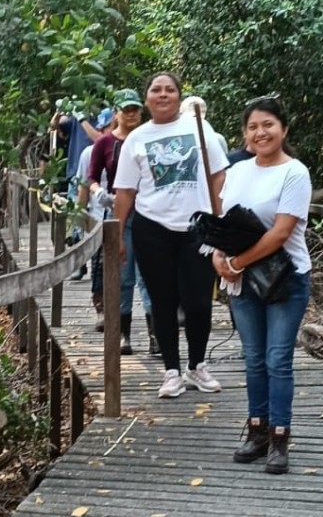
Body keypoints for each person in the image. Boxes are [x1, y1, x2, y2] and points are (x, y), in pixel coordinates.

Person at [212, 96, 312, 474]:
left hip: (285, 279)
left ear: (284, 129)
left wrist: (235, 262)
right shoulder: (237, 171)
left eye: (268, 124)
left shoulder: (295, 173)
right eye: (253, 127)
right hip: (242, 282)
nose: (261, 132)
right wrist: (217, 256)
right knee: (253, 358)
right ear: (245, 134)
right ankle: (257, 431)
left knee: (277, 360)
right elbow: (224, 222)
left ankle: (280, 438)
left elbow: (281, 232)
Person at [113, 72, 229, 398]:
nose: (163, 94)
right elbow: (125, 191)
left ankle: (196, 365)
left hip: (197, 228)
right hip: (152, 228)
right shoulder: (137, 139)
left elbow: (219, 177)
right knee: (162, 301)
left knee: (198, 301)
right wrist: (117, 234)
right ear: (147, 98)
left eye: (170, 89)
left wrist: (221, 223)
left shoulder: (199, 128)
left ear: (179, 96)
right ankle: (171, 371)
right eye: (156, 89)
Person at [83, 89, 158, 356]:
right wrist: (99, 194)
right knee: (124, 277)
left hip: (150, 214)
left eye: (135, 109)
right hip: (120, 212)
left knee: (149, 275)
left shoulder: (150, 138)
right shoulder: (104, 143)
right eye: (126, 109)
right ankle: (124, 334)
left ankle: (155, 336)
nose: (131, 114)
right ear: (116, 112)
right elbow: (91, 177)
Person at [70, 108, 115, 286]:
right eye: (108, 127)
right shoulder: (89, 153)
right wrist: (79, 223)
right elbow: (84, 187)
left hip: (124, 217)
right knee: (100, 270)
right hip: (98, 218)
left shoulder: (129, 147)